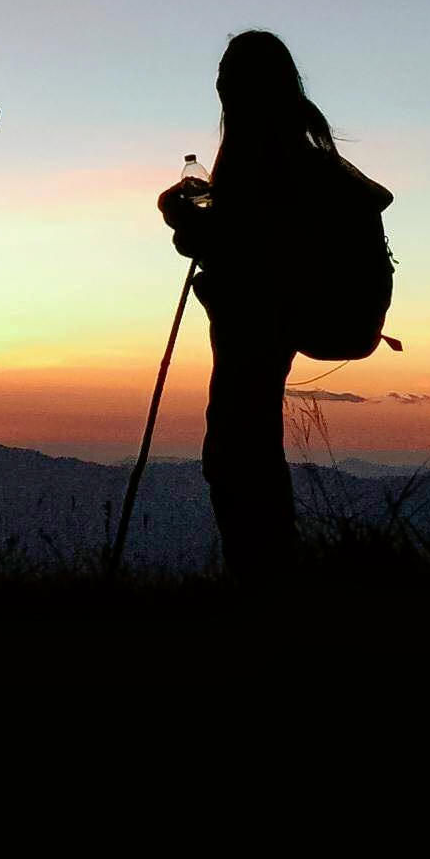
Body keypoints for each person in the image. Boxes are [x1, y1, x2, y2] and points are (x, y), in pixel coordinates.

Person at [157, 30, 395, 583]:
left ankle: (263, 579)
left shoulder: (262, 157)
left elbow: (243, 248)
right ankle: (269, 573)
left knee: (236, 452)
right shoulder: (302, 155)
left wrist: (182, 220)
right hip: (288, 315)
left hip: (261, 321)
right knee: (246, 447)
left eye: (226, 79)